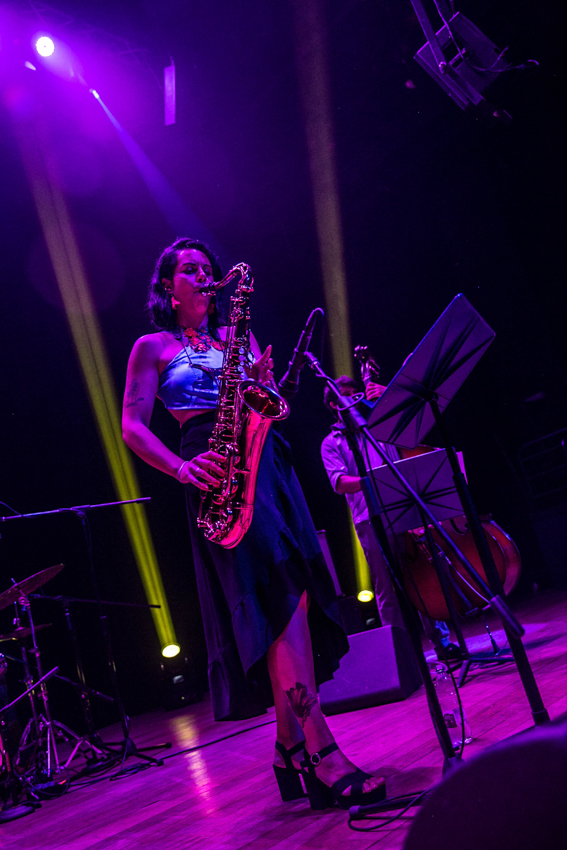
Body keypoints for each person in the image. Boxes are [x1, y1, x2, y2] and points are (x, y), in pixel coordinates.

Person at [122, 238, 386, 810]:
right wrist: (182, 467)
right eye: (188, 269)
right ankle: (319, 750)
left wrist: (261, 381)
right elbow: (132, 428)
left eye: (206, 268)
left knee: (298, 592)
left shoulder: (232, 343)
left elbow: (268, 404)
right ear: (168, 285)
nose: (201, 275)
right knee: (278, 593)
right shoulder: (153, 346)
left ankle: (287, 747)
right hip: (212, 467)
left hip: (268, 460)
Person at [321, 375, 462, 661]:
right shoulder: (330, 442)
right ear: (334, 404)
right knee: (387, 589)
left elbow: (410, 423)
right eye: (344, 395)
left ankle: (442, 644)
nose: (352, 399)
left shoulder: (377, 427)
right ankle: (404, 657)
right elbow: (339, 482)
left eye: (354, 393)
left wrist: (386, 393)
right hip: (368, 518)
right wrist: (374, 481)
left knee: (421, 577)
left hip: (401, 509)